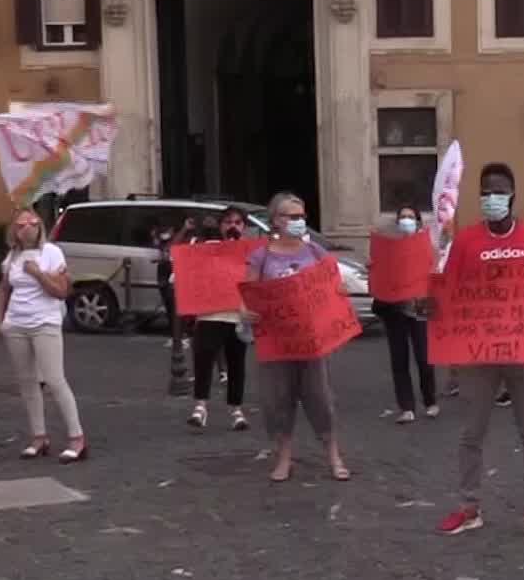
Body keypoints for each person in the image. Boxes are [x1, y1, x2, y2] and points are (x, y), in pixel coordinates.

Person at [429, 162, 524, 541]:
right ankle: (468, 506)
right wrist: (432, 305)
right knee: (471, 433)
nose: (491, 198)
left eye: (498, 191)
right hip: (478, 355)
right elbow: (451, 292)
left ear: (512, 196)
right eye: (486, 192)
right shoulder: (466, 242)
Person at [246, 192, 350, 483]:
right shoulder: (261, 256)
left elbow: (334, 284)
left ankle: (333, 455)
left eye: (302, 216)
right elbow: (248, 293)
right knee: (278, 401)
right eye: (292, 216)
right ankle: (283, 458)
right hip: (276, 344)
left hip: (312, 343)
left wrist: (338, 295)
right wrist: (246, 312)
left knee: (321, 399)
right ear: (275, 221)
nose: (298, 221)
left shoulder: (315, 252)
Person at [0, 208, 86, 463]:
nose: (27, 228)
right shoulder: (12, 256)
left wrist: (37, 273)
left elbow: (61, 291)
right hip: (17, 323)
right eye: (21, 224)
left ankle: (77, 437)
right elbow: (3, 289)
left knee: (55, 379)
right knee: (27, 383)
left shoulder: (51, 253)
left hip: (45, 321)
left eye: (32, 223)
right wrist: (0, 321)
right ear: (14, 230)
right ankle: (39, 436)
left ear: (40, 227)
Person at [185, 207, 251, 431]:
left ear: (244, 227)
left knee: (236, 365)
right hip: (210, 314)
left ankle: (236, 410)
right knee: (203, 359)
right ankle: (200, 407)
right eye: (228, 222)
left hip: (238, 317)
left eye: (238, 222)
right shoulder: (208, 250)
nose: (233, 226)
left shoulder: (251, 253)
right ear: (221, 226)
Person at [373, 204, 437, 424]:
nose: (406, 220)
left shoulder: (426, 244)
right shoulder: (388, 247)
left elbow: (434, 273)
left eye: (411, 217)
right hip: (394, 307)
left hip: (420, 304)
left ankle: (430, 401)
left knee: (424, 357)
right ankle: (406, 407)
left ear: (418, 221)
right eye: (403, 217)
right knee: (399, 359)